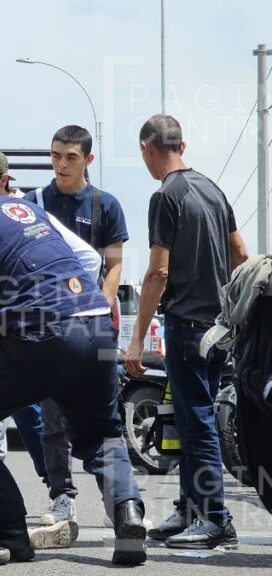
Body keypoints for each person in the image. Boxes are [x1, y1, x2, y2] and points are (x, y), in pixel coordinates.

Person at [0, 177, 147, 566]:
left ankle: (10, 533)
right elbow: (91, 260)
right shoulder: (27, 208)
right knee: (102, 432)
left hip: (41, 333)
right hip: (94, 325)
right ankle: (128, 514)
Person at [128, 114, 249, 549]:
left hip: (186, 326)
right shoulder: (212, 190)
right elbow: (240, 253)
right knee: (189, 419)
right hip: (219, 327)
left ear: (147, 148)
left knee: (196, 422)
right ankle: (191, 508)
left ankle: (216, 519)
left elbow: (157, 274)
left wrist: (137, 337)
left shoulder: (165, 196)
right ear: (184, 144)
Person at [20, 126, 130, 528]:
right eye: (55, 156)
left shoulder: (105, 205)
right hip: (49, 326)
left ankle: (120, 505)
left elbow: (115, 262)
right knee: (51, 419)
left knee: (104, 419)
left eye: (70, 157)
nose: (61, 164)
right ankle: (62, 496)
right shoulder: (33, 202)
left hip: (96, 326)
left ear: (88, 160)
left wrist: (100, 302)